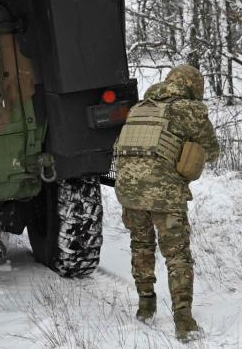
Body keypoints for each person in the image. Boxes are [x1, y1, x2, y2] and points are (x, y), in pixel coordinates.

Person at [114, 65, 219, 342]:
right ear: (192, 87)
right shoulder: (190, 110)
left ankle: (145, 306)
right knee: (177, 254)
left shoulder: (139, 108)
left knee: (141, 245)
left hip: (129, 190)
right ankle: (184, 321)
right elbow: (212, 149)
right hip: (164, 194)